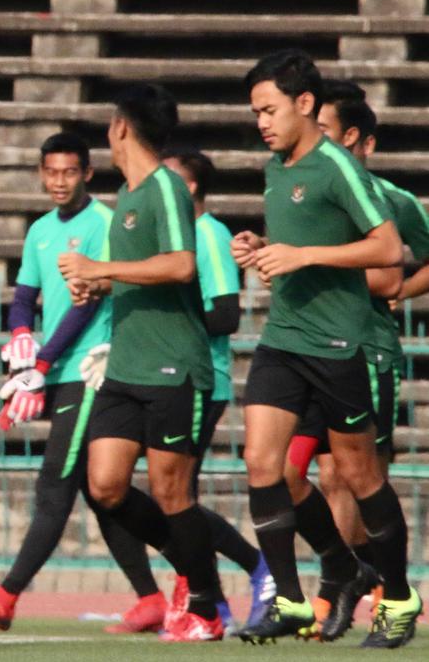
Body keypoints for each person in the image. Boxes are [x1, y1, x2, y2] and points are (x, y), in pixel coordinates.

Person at [232, 49, 418, 647]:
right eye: (255, 111)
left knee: (360, 477)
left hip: (341, 346)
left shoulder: (340, 167)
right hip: (283, 338)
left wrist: (306, 256)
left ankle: (397, 595)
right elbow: (296, 244)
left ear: (304, 103)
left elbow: (389, 250)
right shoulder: (276, 167)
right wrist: (261, 248)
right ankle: (290, 597)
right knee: (265, 465)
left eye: (269, 109)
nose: (261, 122)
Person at [0, 132, 170, 634]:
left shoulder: (104, 224)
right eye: (51, 171)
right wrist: (21, 333)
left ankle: (5, 595)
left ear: (87, 174)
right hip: (61, 372)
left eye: (69, 172)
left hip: (92, 372)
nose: (59, 181)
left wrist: (42, 364)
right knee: (102, 494)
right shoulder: (41, 231)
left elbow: (87, 299)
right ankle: (157, 595)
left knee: (56, 482)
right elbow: (24, 294)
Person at [58, 83, 223, 642]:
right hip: (126, 368)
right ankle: (195, 574)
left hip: (172, 366)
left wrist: (100, 269)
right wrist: (95, 286)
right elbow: (137, 273)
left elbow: (180, 266)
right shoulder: (127, 196)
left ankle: (203, 605)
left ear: (120, 126)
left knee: (174, 492)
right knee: (103, 484)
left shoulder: (165, 188)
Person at [281, 79, 429, 642]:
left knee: (357, 479)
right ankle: (346, 575)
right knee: (289, 472)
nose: (314, 141)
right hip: (311, 352)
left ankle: (380, 596)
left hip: (365, 353)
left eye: (326, 132)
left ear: (360, 141)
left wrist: (398, 292)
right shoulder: (308, 189)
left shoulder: (392, 201)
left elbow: (394, 270)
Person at [161, 148, 274, 633]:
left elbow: (226, 315)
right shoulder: (174, 237)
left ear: (188, 188)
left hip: (202, 380)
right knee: (170, 494)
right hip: (170, 377)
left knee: (175, 494)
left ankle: (235, 581)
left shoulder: (209, 236)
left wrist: (171, 317)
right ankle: (220, 592)